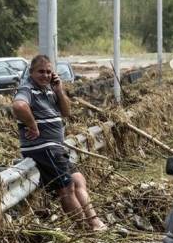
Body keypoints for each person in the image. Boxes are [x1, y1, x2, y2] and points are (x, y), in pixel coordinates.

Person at [11, 55, 107, 231]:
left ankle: (94, 222)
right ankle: (83, 229)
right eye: (40, 71)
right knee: (66, 189)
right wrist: (33, 126)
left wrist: (59, 90)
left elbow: (66, 112)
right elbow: (19, 106)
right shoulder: (27, 88)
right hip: (44, 149)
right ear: (31, 72)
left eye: (48, 72)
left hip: (56, 148)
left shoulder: (49, 89)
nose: (45, 75)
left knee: (78, 179)